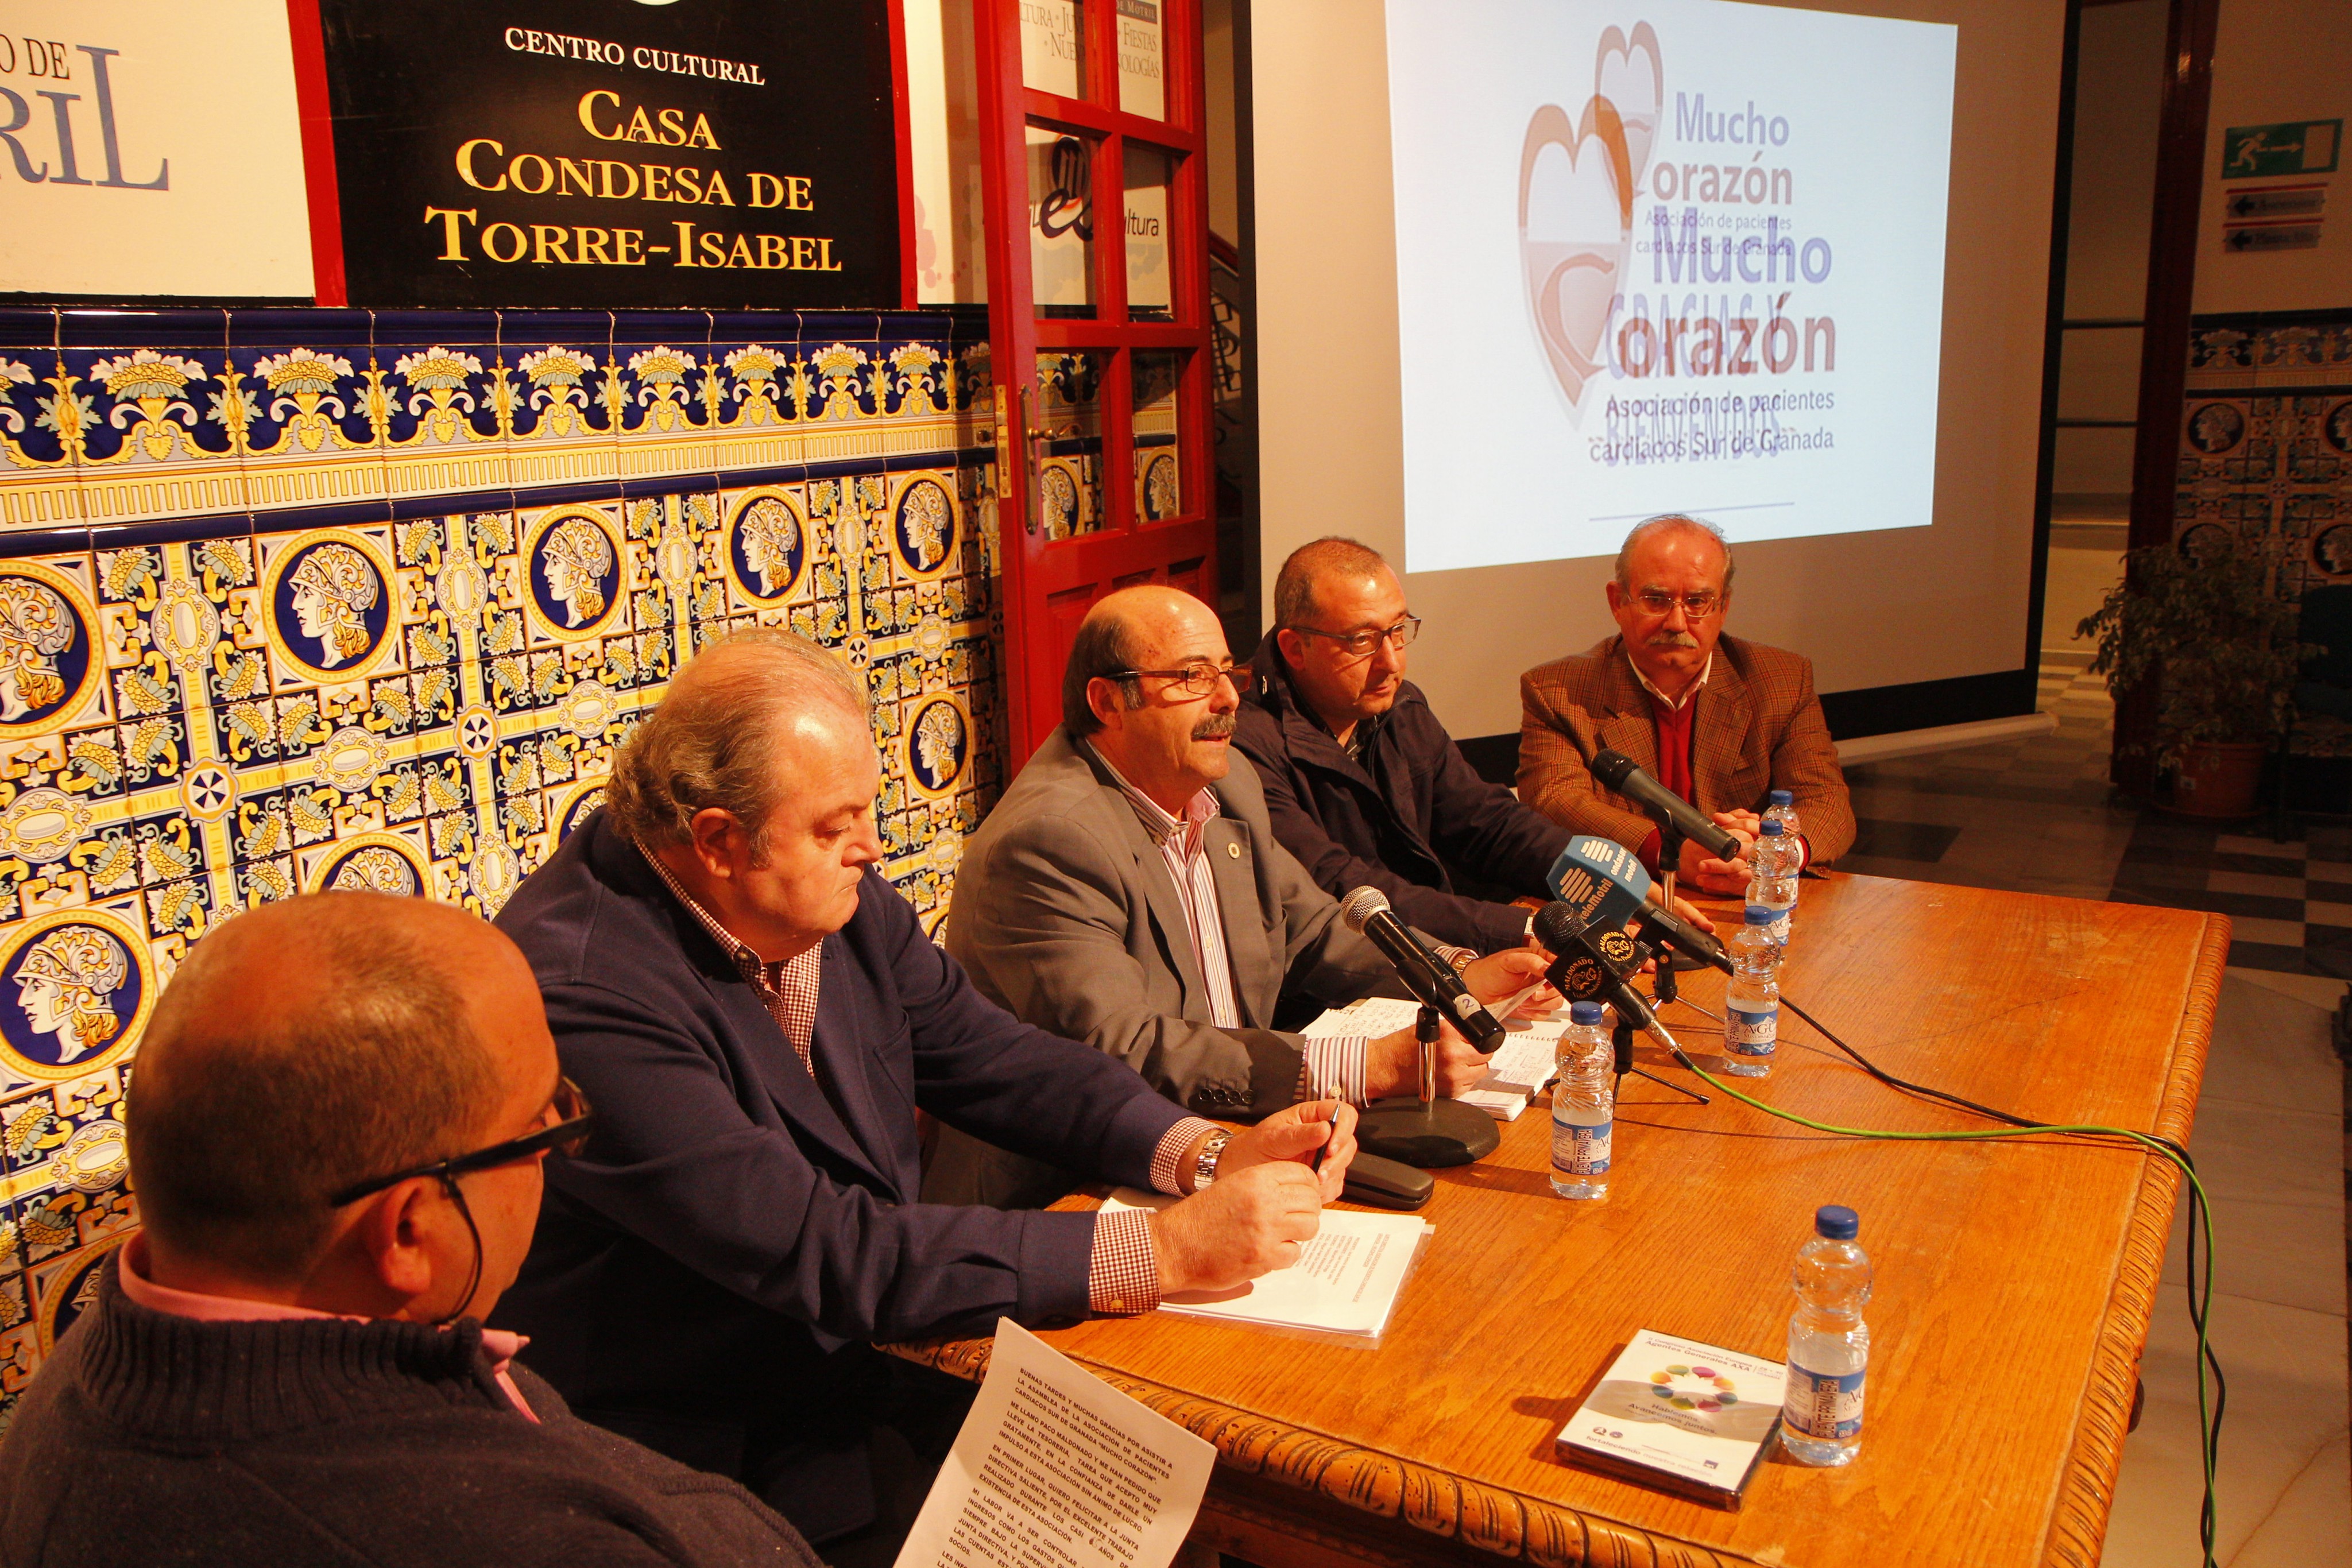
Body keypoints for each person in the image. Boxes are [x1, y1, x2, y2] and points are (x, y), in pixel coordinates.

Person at [492, 628, 1357, 1563]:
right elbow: (823, 1248)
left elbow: (994, 1056)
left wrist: (1204, 1151)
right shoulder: (583, 991)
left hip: (869, 1368)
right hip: (709, 1451)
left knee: (1182, 1487)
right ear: (717, 841)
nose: (872, 847)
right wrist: (1166, 1247)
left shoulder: (820, 889)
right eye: (836, 826)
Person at [0, 892, 822, 1568]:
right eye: (541, 1124)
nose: (557, 1139)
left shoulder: (110, 1355)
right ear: (406, 1233)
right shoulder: (496, 1539)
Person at [935, 584, 1550, 1208]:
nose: (1229, 698)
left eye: (1227, 672)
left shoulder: (1226, 790)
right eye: (1192, 677)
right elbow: (1125, 1047)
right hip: (1070, 1190)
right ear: (1107, 702)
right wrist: (1370, 1066)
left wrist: (1456, 974)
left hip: (1230, 1136)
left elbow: (1314, 929)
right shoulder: (1049, 841)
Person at [1235, 537, 1575, 951]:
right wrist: (1520, 929)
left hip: (1433, 948)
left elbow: (1486, 822)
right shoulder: (1245, 746)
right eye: (1362, 640)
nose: (1391, 663)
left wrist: (1587, 873)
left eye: (1397, 631)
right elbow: (1339, 884)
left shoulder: (1401, 707)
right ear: (1295, 649)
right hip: (1341, 969)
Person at [1518, 514, 1855, 893]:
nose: (1677, 622)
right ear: (1618, 602)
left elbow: (1827, 803)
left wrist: (1777, 852)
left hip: (1753, 896)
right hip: (1631, 897)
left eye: (1697, 602)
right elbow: (1556, 801)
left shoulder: (1782, 680)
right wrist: (1674, 851)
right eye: (1656, 600)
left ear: (1723, 607)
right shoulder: (1558, 691)